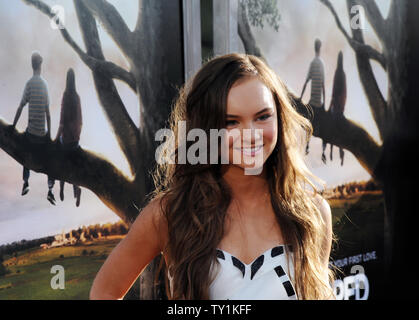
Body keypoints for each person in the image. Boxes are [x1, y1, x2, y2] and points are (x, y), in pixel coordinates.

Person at [89, 54, 335, 300]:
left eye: (262, 117)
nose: (250, 135)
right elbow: (104, 292)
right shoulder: (170, 214)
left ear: (280, 118)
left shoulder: (312, 214)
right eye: (231, 122)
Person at [11, 52, 56, 205]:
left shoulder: (29, 84)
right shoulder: (44, 85)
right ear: (40, 65)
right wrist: (49, 134)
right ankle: (50, 190)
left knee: (24, 152)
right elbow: (48, 114)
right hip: (42, 136)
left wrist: (13, 125)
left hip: (31, 135)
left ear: (32, 65)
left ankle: (25, 182)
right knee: (50, 160)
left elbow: (20, 107)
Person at [55, 68, 82, 207]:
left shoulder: (66, 96)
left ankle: (61, 188)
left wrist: (56, 138)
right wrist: (76, 136)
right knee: (74, 164)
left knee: (61, 162)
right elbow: (80, 120)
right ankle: (77, 190)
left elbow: (61, 121)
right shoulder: (77, 97)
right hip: (75, 141)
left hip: (65, 140)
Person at [300, 39, 328, 164]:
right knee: (323, 128)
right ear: (320, 48)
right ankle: (323, 152)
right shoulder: (321, 64)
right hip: (320, 102)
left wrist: (300, 97)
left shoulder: (312, 63)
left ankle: (307, 146)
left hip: (312, 102)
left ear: (314, 48)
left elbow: (306, 81)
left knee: (309, 123)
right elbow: (323, 85)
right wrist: (324, 103)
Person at [328, 52, 346, 166]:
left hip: (335, 106)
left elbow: (334, 92)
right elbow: (344, 92)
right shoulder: (343, 73)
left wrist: (330, 106)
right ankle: (341, 153)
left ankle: (331, 152)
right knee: (339, 132)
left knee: (332, 128)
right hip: (341, 107)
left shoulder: (337, 72)